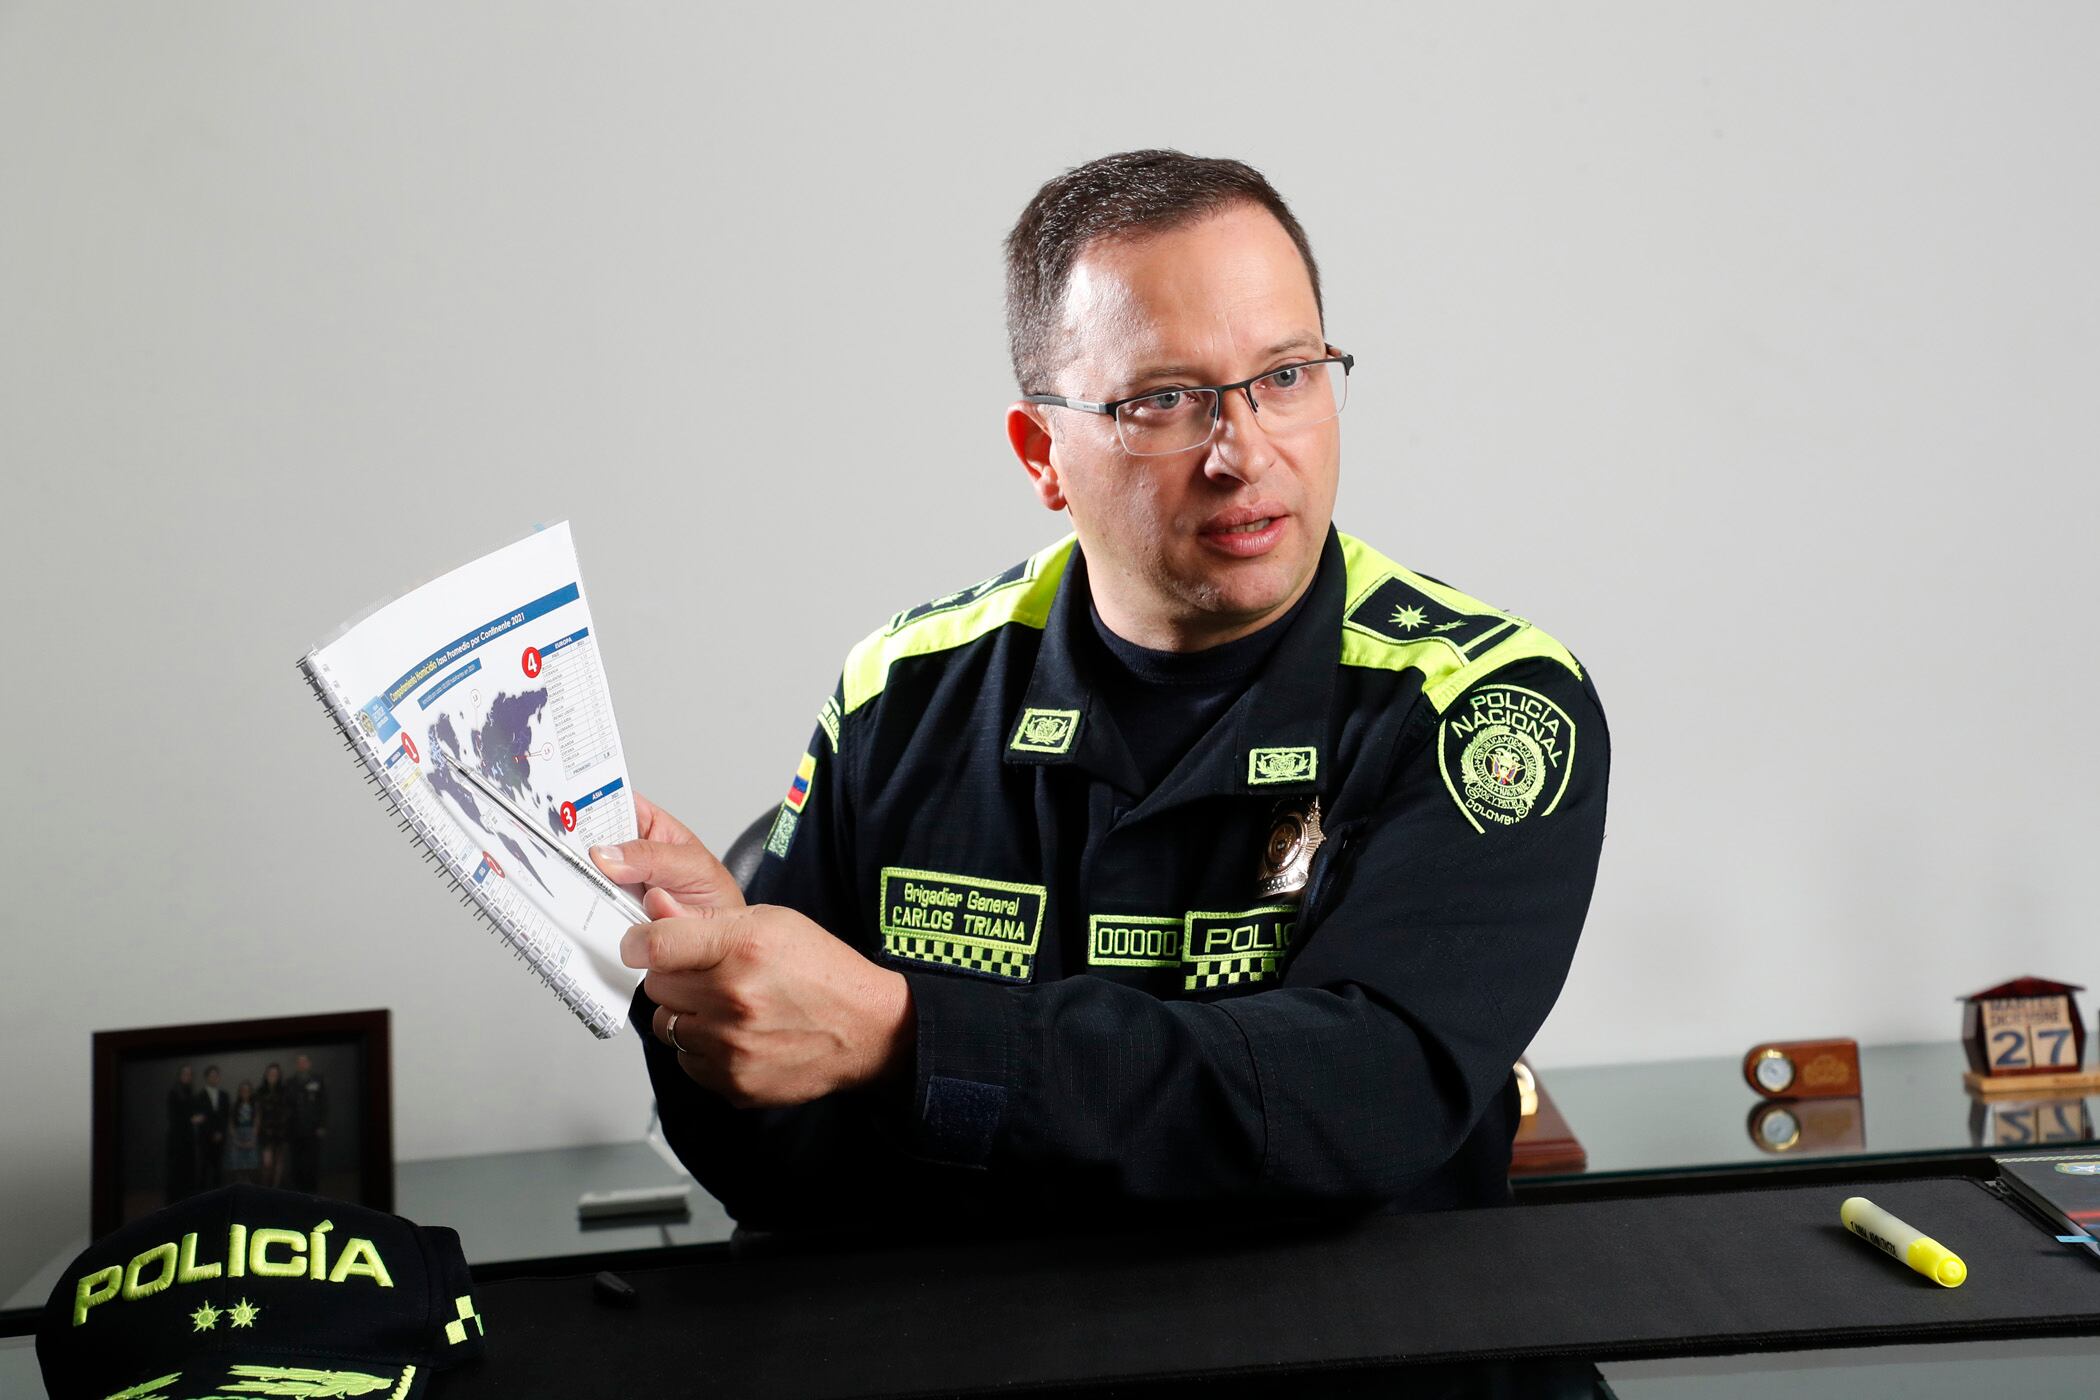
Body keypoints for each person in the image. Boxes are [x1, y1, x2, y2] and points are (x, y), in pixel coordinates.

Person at [597, 150, 1611, 1235]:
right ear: (1042, 452)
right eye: (1167, 400)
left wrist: (904, 1034)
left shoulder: (1485, 702)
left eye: (1287, 375)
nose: (1245, 450)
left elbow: (1366, 1098)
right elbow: (787, 1178)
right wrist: (705, 1009)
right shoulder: (903, 689)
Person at [286, 1052, 328, 1192]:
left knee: (312, 1162)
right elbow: (287, 1106)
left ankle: (312, 1191)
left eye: (304, 1062)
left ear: (309, 1064)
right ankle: (298, 1191)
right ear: (296, 1065)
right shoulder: (290, 1082)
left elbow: (323, 1104)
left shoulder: (317, 1080)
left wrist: (322, 1125)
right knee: (296, 1162)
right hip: (295, 1129)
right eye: (299, 1062)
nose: (302, 1064)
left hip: (313, 1128)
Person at [162, 1064, 201, 1204]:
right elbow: (174, 1116)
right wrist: (191, 1119)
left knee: (188, 1171)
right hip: (176, 1139)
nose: (187, 1076)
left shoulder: (190, 1092)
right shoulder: (174, 1092)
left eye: (190, 1074)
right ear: (180, 1075)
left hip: (188, 1139)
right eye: (185, 1073)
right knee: (175, 1171)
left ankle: (185, 1201)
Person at [256, 1061, 289, 1187]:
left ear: (279, 1075)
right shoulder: (260, 1091)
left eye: (275, 1073)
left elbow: (288, 1111)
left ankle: (276, 1190)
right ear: (266, 1074)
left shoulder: (284, 1090)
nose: (273, 1075)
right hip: (266, 1132)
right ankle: (265, 1190)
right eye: (270, 1073)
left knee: (279, 1162)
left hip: (281, 1131)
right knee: (267, 1164)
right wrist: (257, 1131)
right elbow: (258, 1113)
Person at [195, 1065, 229, 1190]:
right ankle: (202, 1197)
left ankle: (218, 1195)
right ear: (206, 1078)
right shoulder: (199, 1096)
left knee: (218, 1168)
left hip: (220, 1138)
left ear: (219, 1078)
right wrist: (212, 1133)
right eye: (211, 1076)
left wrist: (220, 1133)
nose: (214, 1078)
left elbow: (226, 1117)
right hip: (204, 1138)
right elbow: (201, 1118)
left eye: (216, 1076)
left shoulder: (224, 1095)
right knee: (203, 1168)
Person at [224, 1079, 260, 1183]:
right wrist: (236, 1140)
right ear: (239, 1092)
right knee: (238, 1165)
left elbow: (257, 1122)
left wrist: (253, 1139)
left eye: (247, 1090)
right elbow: (231, 1123)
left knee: (250, 1165)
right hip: (237, 1135)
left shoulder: (255, 1105)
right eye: (242, 1090)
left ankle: (249, 1187)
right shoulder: (234, 1105)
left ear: (251, 1092)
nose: (245, 1093)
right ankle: (240, 1185)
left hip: (251, 1134)